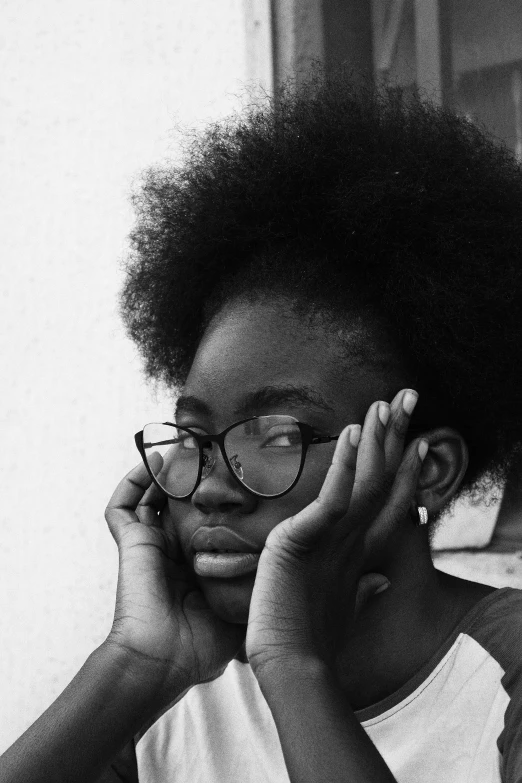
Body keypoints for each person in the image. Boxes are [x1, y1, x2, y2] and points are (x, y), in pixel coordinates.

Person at [2, 70, 522, 783]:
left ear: (425, 468)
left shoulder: (506, 674)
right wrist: (132, 664)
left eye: (275, 437)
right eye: (193, 439)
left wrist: (292, 660)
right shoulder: (172, 695)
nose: (211, 489)